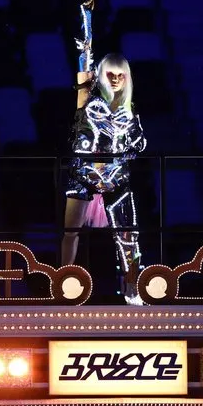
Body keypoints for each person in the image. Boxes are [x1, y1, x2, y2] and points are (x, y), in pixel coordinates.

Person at [61, 52, 147, 305]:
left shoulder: (129, 111)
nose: (116, 79)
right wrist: (86, 21)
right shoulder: (88, 99)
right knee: (70, 232)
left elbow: (140, 144)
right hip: (84, 174)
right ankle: (63, 283)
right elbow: (84, 68)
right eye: (111, 74)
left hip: (116, 177)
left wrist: (129, 136)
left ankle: (133, 288)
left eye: (121, 75)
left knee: (129, 236)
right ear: (102, 75)